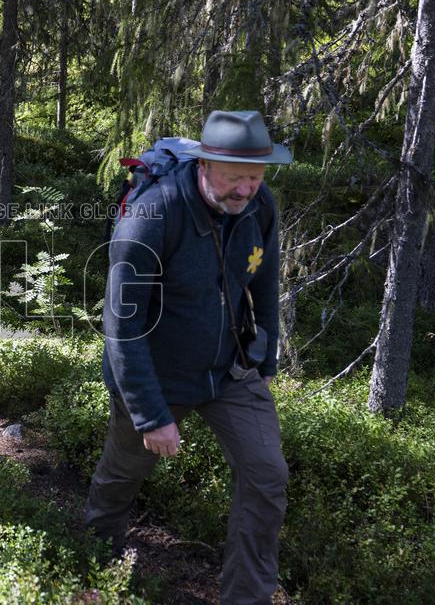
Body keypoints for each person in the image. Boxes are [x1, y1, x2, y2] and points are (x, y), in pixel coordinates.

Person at [85, 111, 291, 604]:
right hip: (156, 373)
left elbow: (264, 284)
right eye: (233, 176)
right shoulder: (151, 216)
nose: (245, 189)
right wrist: (152, 415)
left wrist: (264, 363)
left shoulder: (260, 205)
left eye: (255, 176)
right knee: (121, 476)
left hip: (229, 369)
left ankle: (246, 598)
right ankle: (94, 568)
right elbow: (122, 327)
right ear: (205, 164)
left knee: (267, 476)